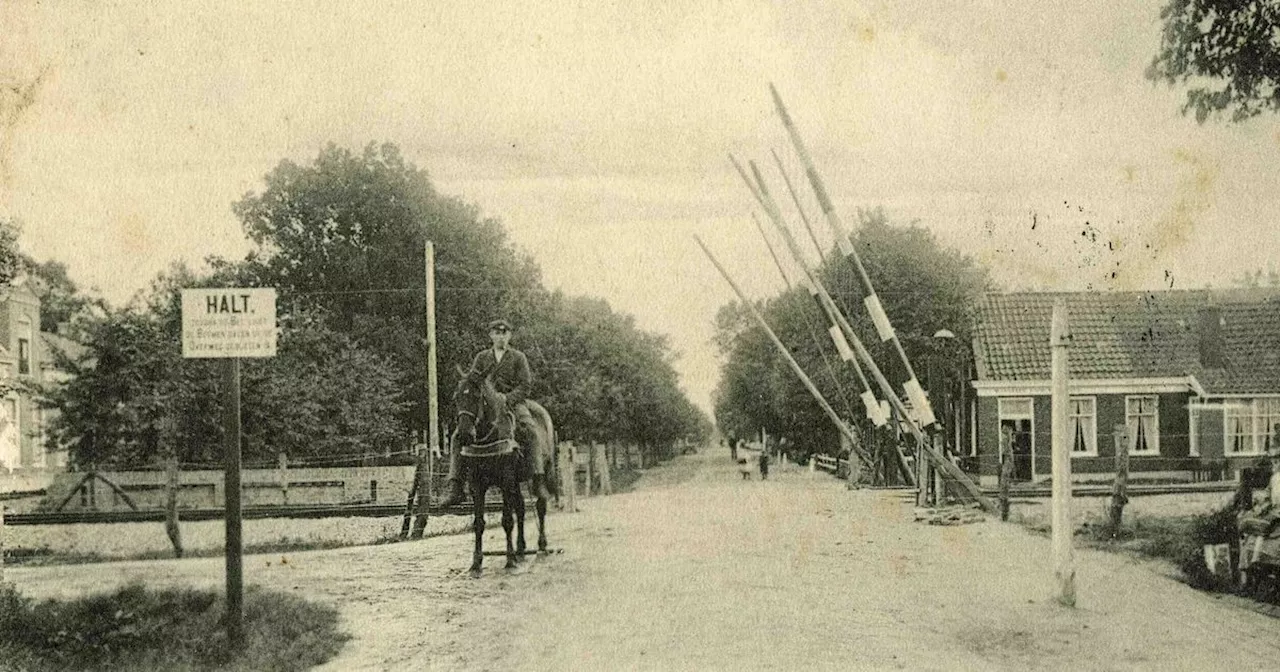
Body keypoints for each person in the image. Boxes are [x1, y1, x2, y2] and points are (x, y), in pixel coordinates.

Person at [441, 318, 548, 506]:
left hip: (513, 403)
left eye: (504, 333)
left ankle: (538, 478)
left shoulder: (518, 357)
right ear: (491, 335)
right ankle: (455, 486)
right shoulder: (482, 357)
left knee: (531, 430)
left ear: (509, 335)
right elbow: (473, 381)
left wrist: (508, 398)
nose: (501, 336)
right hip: (486, 405)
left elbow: (525, 385)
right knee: (458, 435)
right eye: (497, 333)